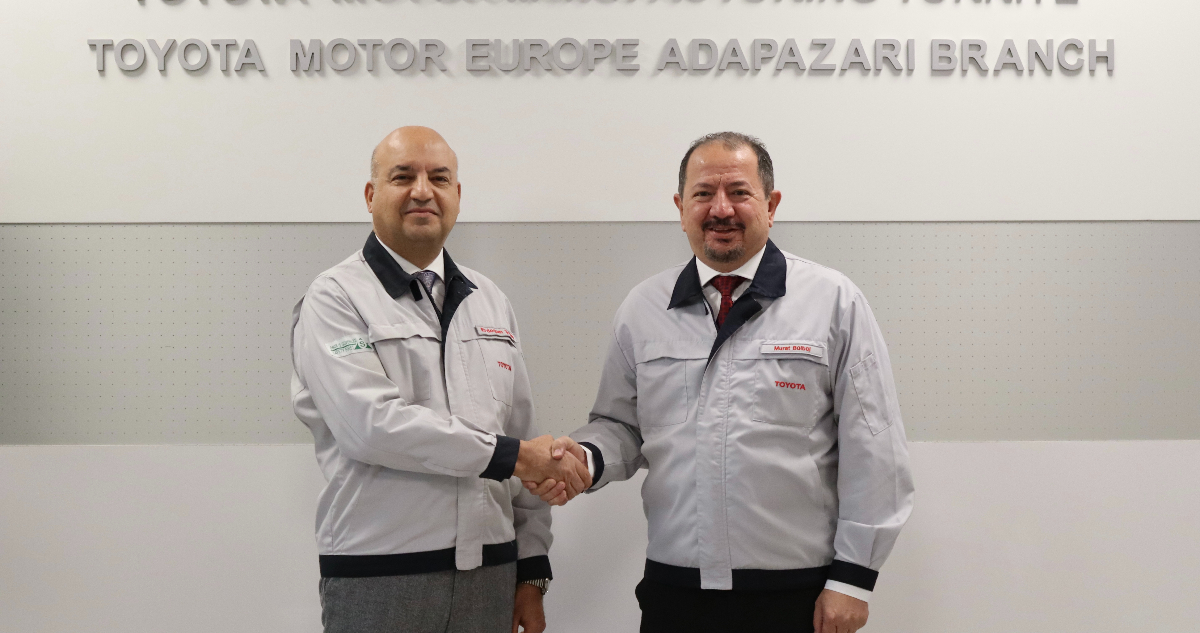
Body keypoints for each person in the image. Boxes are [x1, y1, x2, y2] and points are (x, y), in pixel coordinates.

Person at [530, 132, 914, 633]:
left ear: (771, 205)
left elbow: (875, 447)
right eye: (703, 194)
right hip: (675, 592)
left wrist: (854, 579)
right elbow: (621, 425)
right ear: (680, 208)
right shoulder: (643, 308)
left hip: (797, 594)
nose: (721, 209)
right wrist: (585, 458)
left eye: (738, 192)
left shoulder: (832, 302)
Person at [291, 126, 590, 633]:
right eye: (402, 176)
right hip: (381, 579)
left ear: (457, 194)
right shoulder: (335, 298)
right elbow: (371, 426)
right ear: (370, 195)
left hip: (491, 576)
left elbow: (521, 430)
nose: (422, 191)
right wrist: (516, 456)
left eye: (439, 178)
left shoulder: (489, 300)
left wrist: (531, 569)